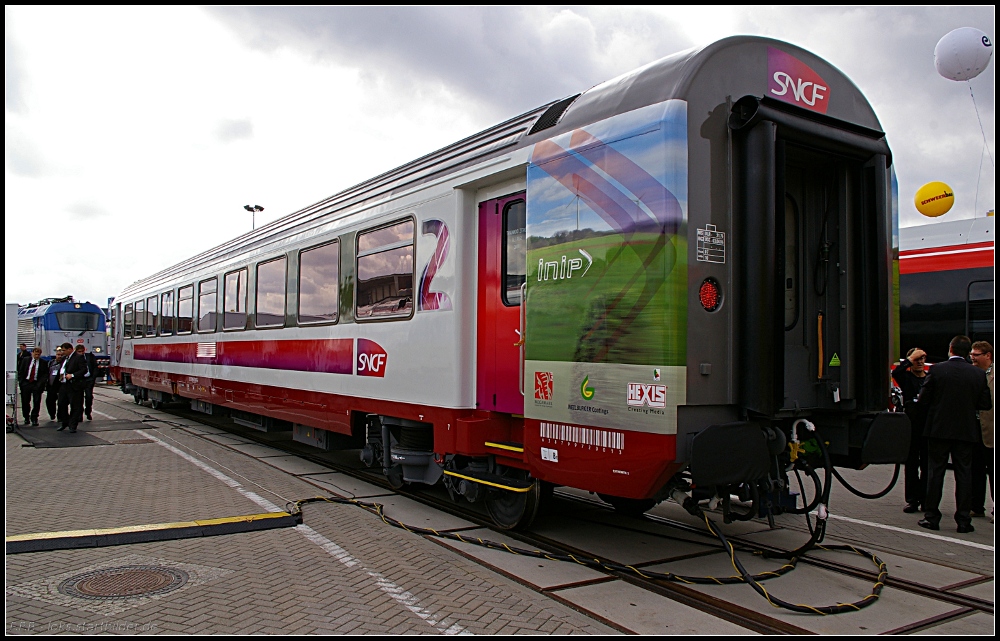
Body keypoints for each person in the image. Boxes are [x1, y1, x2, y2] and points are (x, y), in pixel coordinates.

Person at [916, 335, 992, 533]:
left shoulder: (937, 370)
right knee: (964, 474)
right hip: (965, 431)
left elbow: (923, 399)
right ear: (968, 353)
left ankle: (931, 517)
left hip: (939, 429)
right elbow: (985, 404)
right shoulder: (976, 374)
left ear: (950, 349)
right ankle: (964, 520)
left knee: (935, 473)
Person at [892, 347, 929, 513]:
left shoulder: (930, 378)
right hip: (911, 427)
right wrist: (909, 360)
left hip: (928, 427)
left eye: (922, 359)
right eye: (917, 359)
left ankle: (927, 499)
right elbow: (896, 372)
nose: (920, 362)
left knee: (928, 465)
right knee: (912, 463)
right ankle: (913, 499)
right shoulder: (906, 378)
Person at [969, 341, 994, 521]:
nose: (972, 358)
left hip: (991, 430)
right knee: (975, 470)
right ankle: (976, 506)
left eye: (976, 355)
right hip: (974, 430)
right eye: (971, 355)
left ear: (988, 355)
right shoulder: (972, 374)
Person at [56, 342, 88, 433]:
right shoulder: (64, 359)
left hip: (74, 385)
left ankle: (73, 425)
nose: (62, 352)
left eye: (64, 350)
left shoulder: (78, 357)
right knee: (61, 404)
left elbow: (84, 370)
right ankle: (64, 422)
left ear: (70, 349)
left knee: (75, 406)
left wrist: (73, 375)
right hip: (64, 384)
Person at [17, 347, 49, 426]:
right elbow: (21, 371)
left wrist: (40, 384)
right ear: (32, 353)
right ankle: (26, 417)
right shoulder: (25, 360)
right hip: (26, 383)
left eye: (38, 354)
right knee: (25, 401)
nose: (37, 356)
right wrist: (21, 382)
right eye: (35, 354)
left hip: (36, 383)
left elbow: (45, 374)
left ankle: (34, 417)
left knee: (37, 401)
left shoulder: (43, 362)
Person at [45, 346, 65, 421]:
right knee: (49, 401)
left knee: (61, 402)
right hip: (51, 386)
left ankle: (60, 416)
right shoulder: (51, 363)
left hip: (60, 386)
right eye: (58, 355)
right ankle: (52, 414)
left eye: (61, 355)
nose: (59, 356)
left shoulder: (64, 364)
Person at [81, 346, 99, 420]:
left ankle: (88, 411)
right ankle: (79, 414)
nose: (81, 353)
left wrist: (93, 378)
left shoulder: (90, 357)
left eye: (82, 351)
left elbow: (95, 367)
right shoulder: (75, 359)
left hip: (89, 380)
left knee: (88, 396)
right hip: (80, 380)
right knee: (79, 398)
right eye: (79, 351)